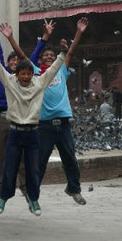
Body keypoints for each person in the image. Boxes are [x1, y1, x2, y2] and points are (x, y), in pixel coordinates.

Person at [0, 27, 68, 216]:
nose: (25, 77)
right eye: (22, 73)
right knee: (10, 166)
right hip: (15, 132)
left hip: (33, 133)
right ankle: (3, 198)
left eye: (28, 73)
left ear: (33, 73)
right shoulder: (9, 82)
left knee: (33, 169)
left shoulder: (40, 83)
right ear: (16, 74)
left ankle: (33, 199)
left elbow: (54, 69)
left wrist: (63, 52)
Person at [31, 17, 89, 206]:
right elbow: (30, 57)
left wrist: (79, 32)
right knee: (40, 162)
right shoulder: (36, 73)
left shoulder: (61, 70)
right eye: (45, 55)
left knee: (70, 159)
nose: (48, 57)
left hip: (64, 123)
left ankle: (74, 188)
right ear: (41, 59)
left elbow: (70, 51)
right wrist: (46, 36)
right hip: (45, 125)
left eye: (51, 55)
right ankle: (33, 195)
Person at [0, 22, 42, 202]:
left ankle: (25, 187)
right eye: (11, 61)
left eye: (16, 61)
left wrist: (43, 40)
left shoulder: (25, 80)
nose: (13, 62)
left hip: (19, 121)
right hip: (0, 118)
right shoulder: (4, 75)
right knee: (0, 155)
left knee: (22, 158)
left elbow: (33, 59)